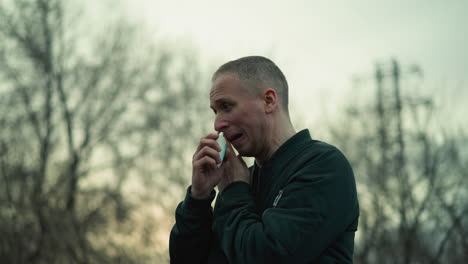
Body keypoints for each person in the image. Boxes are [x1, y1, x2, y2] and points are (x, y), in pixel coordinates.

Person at [169, 56, 359, 264]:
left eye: (226, 106)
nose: (217, 124)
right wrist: (198, 199)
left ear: (269, 101)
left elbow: (266, 256)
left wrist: (234, 192)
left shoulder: (323, 166)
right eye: (215, 112)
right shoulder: (241, 182)